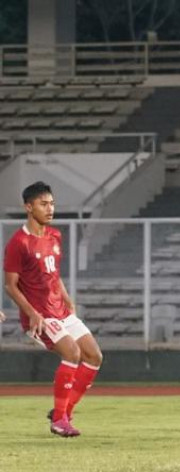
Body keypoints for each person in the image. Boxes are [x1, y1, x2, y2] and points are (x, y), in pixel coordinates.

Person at [3, 181, 103, 437]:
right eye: (43, 204)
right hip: (39, 316)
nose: (50, 209)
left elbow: (53, 274)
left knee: (94, 356)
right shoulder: (18, 243)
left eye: (52, 204)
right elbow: (10, 286)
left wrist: (67, 297)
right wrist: (32, 313)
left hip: (60, 310)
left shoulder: (55, 236)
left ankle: (64, 412)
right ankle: (59, 420)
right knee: (72, 352)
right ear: (28, 207)